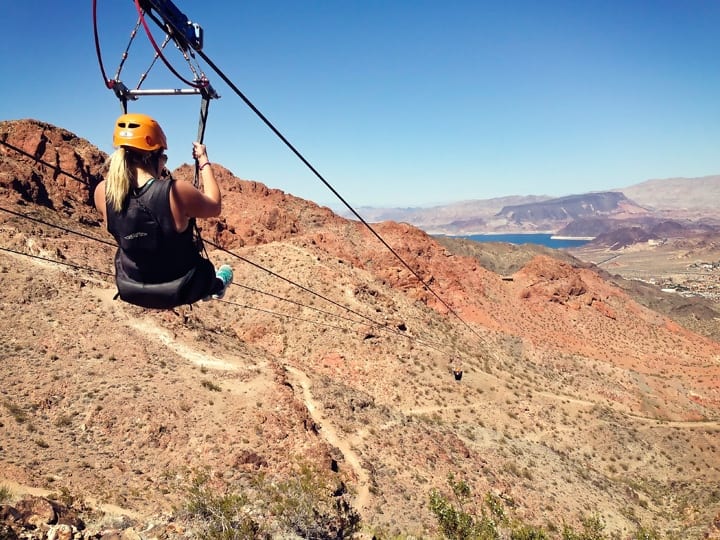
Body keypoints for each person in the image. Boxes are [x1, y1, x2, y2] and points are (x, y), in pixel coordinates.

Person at [93, 112, 233, 309]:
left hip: (132, 285)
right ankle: (217, 285)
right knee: (209, 275)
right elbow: (215, 205)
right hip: (182, 285)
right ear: (152, 156)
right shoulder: (175, 191)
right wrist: (203, 160)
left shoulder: (102, 192)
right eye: (164, 158)